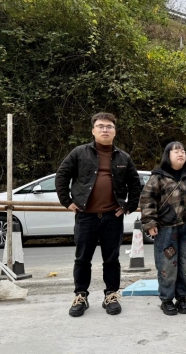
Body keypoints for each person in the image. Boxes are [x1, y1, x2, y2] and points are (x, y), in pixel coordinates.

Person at [56, 112, 141, 317]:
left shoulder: (123, 157)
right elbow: (62, 175)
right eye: (101, 126)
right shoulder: (79, 153)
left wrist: (129, 206)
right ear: (93, 130)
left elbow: (135, 184)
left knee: (111, 259)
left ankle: (111, 295)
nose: (105, 130)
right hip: (86, 216)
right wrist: (67, 201)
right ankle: (81, 296)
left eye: (109, 126)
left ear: (115, 131)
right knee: (82, 259)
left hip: (113, 217)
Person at [140, 142, 186, 316]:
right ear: (167, 155)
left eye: (183, 151)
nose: (181, 154)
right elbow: (147, 199)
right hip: (166, 228)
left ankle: (182, 298)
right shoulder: (158, 177)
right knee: (167, 264)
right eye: (176, 151)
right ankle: (167, 299)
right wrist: (150, 223)